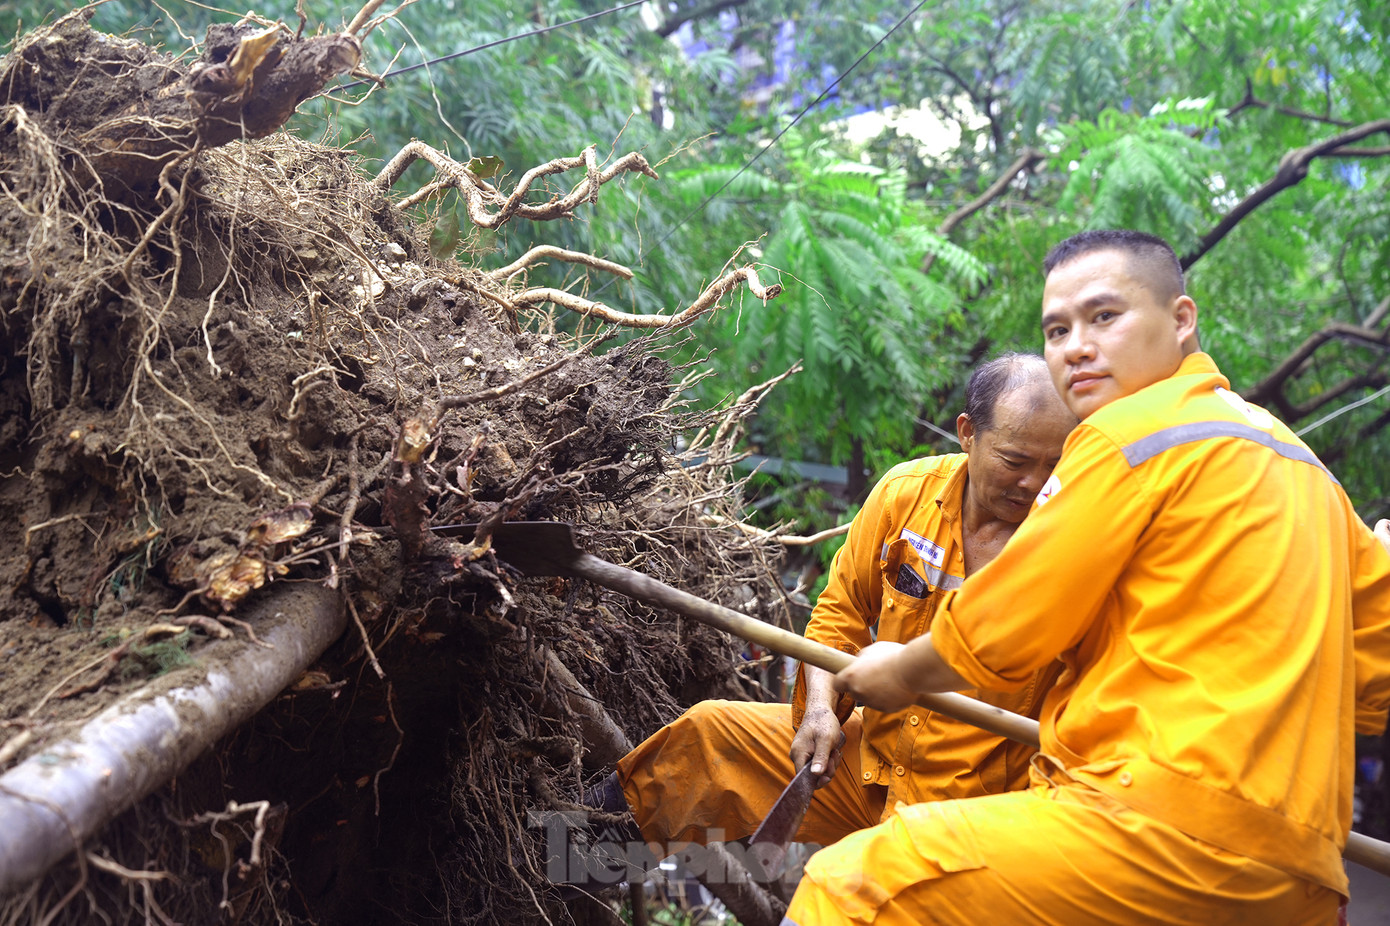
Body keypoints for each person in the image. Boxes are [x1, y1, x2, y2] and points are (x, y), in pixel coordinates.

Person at [784, 229, 1390, 925]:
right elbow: (1371, 686)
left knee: (854, 883)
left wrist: (899, 672)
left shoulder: (1129, 434)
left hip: (1156, 828)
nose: (1075, 346)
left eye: (1104, 317)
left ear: (1182, 320)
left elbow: (1006, 628)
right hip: (1302, 874)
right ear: (967, 437)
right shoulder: (1306, 466)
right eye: (1056, 329)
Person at [591, 354, 1076, 867]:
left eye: (1054, 464)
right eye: (1016, 461)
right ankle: (550, 868)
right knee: (709, 742)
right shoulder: (903, 497)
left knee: (858, 895)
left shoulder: (1074, 544)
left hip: (974, 811)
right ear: (967, 433)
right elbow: (838, 616)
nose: (1034, 483)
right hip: (869, 765)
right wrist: (820, 710)